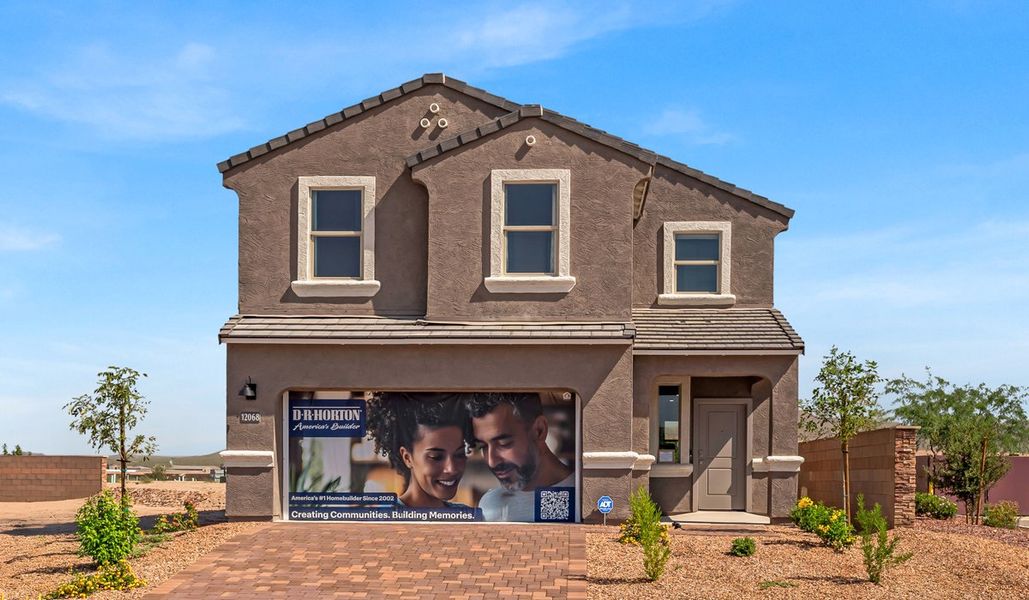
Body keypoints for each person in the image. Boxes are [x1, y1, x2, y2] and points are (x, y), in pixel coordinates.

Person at [465, 392, 574, 521]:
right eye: (483, 446)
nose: (491, 461)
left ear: (539, 431)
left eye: (504, 443)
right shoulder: (490, 504)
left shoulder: (583, 496)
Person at [365, 392, 471, 509]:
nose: (451, 469)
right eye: (436, 457)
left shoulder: (466, 514)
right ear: (407, 458)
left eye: (459, 454)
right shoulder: (385, 517)